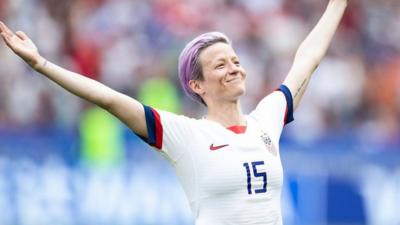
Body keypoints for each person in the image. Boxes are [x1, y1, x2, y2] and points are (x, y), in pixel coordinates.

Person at [0, 0, 349, 224]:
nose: (234, 69)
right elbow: (110, 99)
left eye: (236, 61)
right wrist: (42, 64)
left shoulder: (266, 120)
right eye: (220, 65)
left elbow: (307, 60)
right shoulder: (187, 135)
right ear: (197, 85)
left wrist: (337, 3)